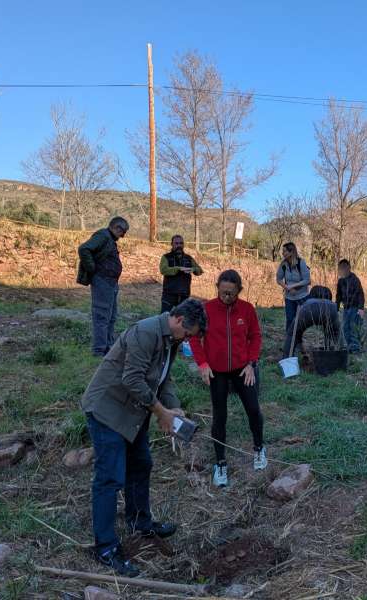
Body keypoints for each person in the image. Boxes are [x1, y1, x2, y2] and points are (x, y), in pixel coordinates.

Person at [80, 298, 207, 577]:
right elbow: (133, 380)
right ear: (178, 320)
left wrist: (174, 407)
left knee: (141, 465)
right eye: (188, 334)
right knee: (110, 477)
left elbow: (164, 380)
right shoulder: (146, 332)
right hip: (108, 410)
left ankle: (140, 522)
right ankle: (106, 547)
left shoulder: (170, 340)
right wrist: (161, 413)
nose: (187, 340)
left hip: (132, 412)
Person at [189, 270, 266, 488]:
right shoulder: (207, 309)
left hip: (243, 369)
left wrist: (252, 362)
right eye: (223, 293)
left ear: (239, 291)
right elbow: (195, 338)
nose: (227, 297)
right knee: (219, 415)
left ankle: (259, 448)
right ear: (217, 288)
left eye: (231, 293)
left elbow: (255, 336)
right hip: (217, 371)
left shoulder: (247, 309)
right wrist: (202, 364)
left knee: (253, 409)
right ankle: (220, 462)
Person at [77, 217, 129, 357]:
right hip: (103, 282)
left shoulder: (109, 239)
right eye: (123, 232)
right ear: (116, 227)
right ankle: (99, 350)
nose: (123, 235)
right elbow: (84, 249)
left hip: (111, 283)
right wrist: (92, 268)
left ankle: (108, 348)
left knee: (111, 317)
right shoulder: (103, 236)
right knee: (102, 317)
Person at [283, 286, 342, 357]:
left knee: (293, 333)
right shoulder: (331, 304)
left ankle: (287, 356)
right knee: (333, 333)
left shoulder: (308, 302)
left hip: (308, 309)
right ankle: (334, 353)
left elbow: (294, 333)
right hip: (331, 310)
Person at [159, 234, 203, 313]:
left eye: (181, 243)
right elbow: (163, 270)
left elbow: (200, 270)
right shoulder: (166, 257)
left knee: (183, 320)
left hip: (184, 295)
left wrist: (193, 269)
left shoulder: (188, 258)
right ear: (172, 244)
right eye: (176, 243)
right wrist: (178, 269)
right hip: (169, 295)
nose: (179, 245)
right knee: (164, 318)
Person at [276, 242, 311, 334]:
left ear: (291, 252)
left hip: (302, 297)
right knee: (290, 319)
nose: (282, 253)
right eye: (282, 251)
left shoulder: (301, 263)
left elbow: (307, 280)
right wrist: (286, 287)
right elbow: (278, 279)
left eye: (284, 251)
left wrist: (292, 286)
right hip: (289, 298)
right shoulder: (283, 264)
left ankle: (298, 341)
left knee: (301, 321)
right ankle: (289, 341)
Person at [336, 259, 365, 353]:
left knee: (354, 327)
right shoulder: (340, 281)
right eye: (341, 268)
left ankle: (355, 348)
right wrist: (336, 307)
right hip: (346, 308)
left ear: (349, 268)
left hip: (355, 307)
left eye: (345, 268)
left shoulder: (355, 279)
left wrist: (361, 308)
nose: (343, 270)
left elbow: (360, 294)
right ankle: (350, 346)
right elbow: (338, 295)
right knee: (345, 328)